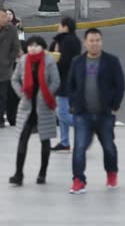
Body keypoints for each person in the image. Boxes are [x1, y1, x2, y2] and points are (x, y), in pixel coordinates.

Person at [67, 28, 125, 194]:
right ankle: (78, 180)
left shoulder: (111, 61)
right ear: (85, 42)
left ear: (101, 41)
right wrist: (73, 104)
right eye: (91, 40)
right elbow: (70, 85)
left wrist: (115, 105)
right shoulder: (77, 62)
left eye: (97, 40)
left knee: (108, 147)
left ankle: (111, 173)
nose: (94, 43)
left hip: (104, 114)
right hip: (82, 114)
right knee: (79, 148)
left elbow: (120, 85)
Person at [9, 36, 60, 186]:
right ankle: (18, 174)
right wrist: (22, 94)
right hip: (27, 106)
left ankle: (42, 174)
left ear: (43, 47)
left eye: (37, 45)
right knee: (23, 139)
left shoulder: (49, 60)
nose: (33, 48)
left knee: (45, 140)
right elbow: (15, 79)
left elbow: (56, 81)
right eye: (31, 45)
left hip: (44, 107)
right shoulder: (24, 60)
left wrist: (46, 95)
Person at [49, 17, 82, 151]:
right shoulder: (71, 40)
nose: (58, 26)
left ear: (65, 27)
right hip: (69, 80)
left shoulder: (67, 41)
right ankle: (64, 141)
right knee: (63, 111)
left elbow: (64, 62)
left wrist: (54, 57)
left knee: (62, 113)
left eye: (60, 25)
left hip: (65, 80)